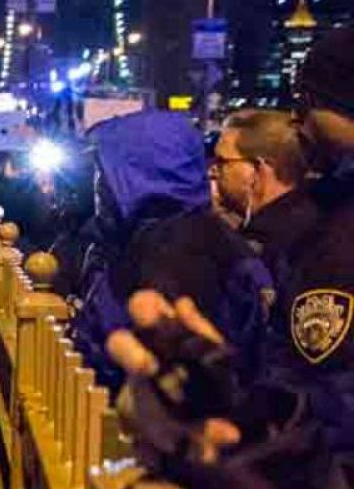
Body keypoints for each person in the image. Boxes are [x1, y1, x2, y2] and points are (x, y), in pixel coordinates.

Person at [74, 110, 272, 385]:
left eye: (102, 172)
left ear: (135, 175)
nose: (98, 186)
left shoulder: (176, 254)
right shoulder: (198, 237)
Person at [210, 109, 317, 284]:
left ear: (259, 168)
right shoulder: (313, 218)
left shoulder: (271, 246)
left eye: (222, 162)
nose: (212, 171)